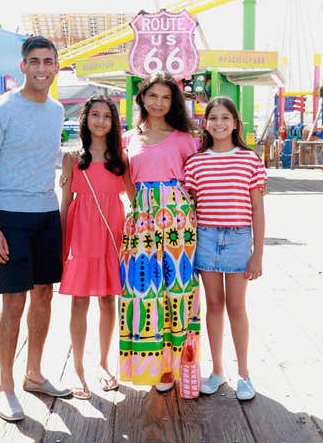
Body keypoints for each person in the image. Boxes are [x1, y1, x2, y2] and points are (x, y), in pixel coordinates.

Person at [0, 36, 70, 422]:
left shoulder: (57, 109)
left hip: (47, 213)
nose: (42, 68)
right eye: (35, 61)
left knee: (44, 294)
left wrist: (72, 158)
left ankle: (34, 374)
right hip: (9, 215)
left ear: (56, 65)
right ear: (23, 66)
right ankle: (6, 386)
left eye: (48, 61)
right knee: (14, 302)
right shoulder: (0, 109)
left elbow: (49, 153)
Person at [119, 71, 200, 391]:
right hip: (141, 219)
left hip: (179, 220)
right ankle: (152, 367)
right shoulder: (128, 138)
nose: (159, 102)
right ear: (142, 98)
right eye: (153, 95)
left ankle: (178, 367)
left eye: (166, 97)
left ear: (174, 102)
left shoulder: (184, 138)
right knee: (143, 290)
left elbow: (195, 183)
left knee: (178, 292)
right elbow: (127, 181)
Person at [183, 96, 266, 401]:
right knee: (213, 306)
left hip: (238, 238)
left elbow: (257, 208)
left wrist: (257, 252)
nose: (219, 123)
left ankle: (244, 374)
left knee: (236, 307)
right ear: (205, 123)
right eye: (213, 118)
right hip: (205, 237)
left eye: (225, 118)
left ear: (235, 123)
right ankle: (217, 371)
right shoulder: (196, 161)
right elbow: (189, 204)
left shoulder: (249, 160)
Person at [58, 95, 126, 399]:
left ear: (114, 122)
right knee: (79, 301)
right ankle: (77, 368)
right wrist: (61, 246)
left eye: (107, 116)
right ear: (85, 119)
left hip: (113, 232)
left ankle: (103, 363)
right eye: (95, 114)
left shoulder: (121, 159)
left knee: (108, 300)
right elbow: (65, 205)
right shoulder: (72, 157)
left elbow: (136, 197)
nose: (101, 121)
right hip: (81, 235)